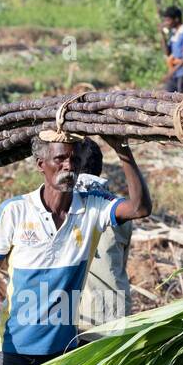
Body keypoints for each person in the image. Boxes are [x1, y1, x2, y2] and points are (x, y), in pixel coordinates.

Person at [0, 132, 152, 365]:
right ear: (40, 164)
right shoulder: (15, 211)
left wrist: (124, 150)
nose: (68, 166)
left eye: (74, 159)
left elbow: (140, 208)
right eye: (60, 158)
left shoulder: (92, 209)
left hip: (62, 349)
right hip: (14, 344)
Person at [74, 139, 133, 331]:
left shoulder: (64, 205)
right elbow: (121, 261)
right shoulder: (121, 208)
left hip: (78, 317)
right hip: (115, 313)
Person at [160, 6, 183, 94]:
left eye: (168, 20)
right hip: (174, 71)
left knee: (181, 99)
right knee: (167, 96)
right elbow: (167, 52)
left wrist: (173, 71)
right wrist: (162, 35)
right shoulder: (174, 33)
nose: (166, 23)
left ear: (176, 19)